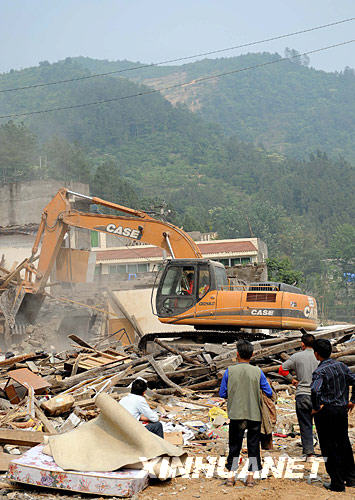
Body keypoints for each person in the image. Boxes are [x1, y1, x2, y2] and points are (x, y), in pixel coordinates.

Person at [219, 339, 272, 487]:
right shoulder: (258, 371)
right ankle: (250, 478)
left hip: (235, 414)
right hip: (254, 414)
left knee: (234, 445)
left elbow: (222, 393)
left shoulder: (229, 371)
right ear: (252, 354)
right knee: (253, 446)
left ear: (237, 354)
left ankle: (231, 477)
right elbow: (268, 391)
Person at [311, 338, 355, 492]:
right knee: (343, 442)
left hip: (327, 412)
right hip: (341, 410)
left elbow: (315, 390)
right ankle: (350, 478)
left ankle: (337, 482)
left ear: (316, 354)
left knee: (329, 447)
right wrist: (352, 400)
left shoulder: (319, 371)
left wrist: (316, 407)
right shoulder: (342, 366)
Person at [278, 332, 318, 459]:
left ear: (302, 344)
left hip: (302, 394)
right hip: (318, 395)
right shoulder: (319, 356)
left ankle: (309, 452)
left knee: (305, 424)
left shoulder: (297, 356)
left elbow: (281, 369)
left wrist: (292, 380)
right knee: (321, 423)